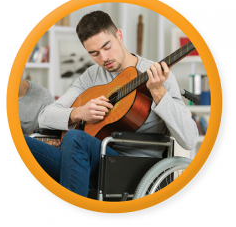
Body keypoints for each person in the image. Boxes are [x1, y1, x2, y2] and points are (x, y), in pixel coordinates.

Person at [24, 11, 198, 197]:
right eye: (94, 53)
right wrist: (79, 113)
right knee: (18, 142)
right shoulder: (92, 75)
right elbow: (44, 116)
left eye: (107, 47)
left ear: (119, 36)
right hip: (90, 161)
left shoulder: (157, 74)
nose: (104, 58)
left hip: (133, 168)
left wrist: (158, 92)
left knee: (74, 138)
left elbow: (189, 139)